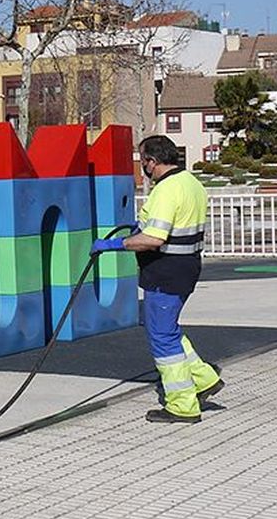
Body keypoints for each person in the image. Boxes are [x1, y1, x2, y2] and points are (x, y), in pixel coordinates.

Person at [91, 134, 223, 424]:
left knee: (162, 337)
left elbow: (154, 238)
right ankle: (204, 378)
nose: (143, 168)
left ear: (151, 161)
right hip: (187, 266)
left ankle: (182, 404)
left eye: (143, 161)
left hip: (165, 272)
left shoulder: (166, 190)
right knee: (168, 328)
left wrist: (114, 245)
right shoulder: (191, 183)